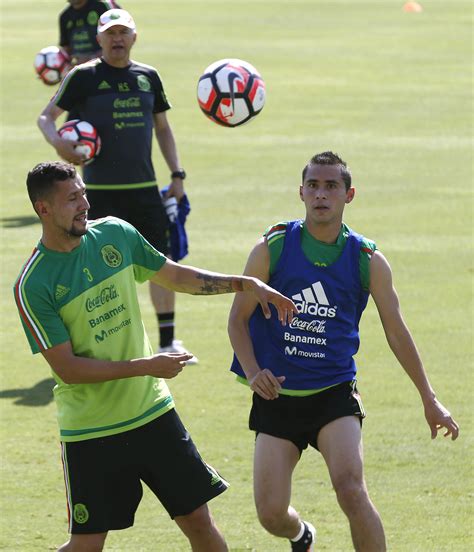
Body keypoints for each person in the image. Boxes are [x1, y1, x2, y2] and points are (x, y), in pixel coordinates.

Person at [13, 161, 297, 552]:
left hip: (152, 414)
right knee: (87, 545)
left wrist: (243, 284)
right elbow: (69, 369)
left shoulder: (115, 234)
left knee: (199, 522)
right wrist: (148, 366)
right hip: (91, 432)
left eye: (83, 193)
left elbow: (177, 277)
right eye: (72, 198)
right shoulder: (34, 284)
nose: (84, 204)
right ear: (43, 209)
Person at [228, 151, 460, 552]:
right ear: (301, 192)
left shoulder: (367, 260)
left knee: (351, 489)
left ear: (349, 195)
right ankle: (302, 534)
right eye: (314, 186)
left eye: (331, 186)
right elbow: (237, 320)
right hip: (277, 396)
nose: (321, 194)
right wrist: (251, 371)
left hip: (334, 394)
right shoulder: (274, 248)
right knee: (270, 514)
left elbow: (397, 332)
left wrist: (430, 398)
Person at [38, 8, 196, 362]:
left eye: (123, 32)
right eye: (110, 33)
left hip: (144, 188)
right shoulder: (83, 77)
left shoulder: (148, 77)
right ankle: (96, 344)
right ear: (99, 39)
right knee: (93, 270)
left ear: (134, 37)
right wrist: (59, 144)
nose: (117, 39)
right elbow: (46, 117)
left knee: (161, 263)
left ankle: (169, 341)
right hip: (97, 194)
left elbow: (163, 129)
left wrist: (177, 175)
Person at [59, 1, 121, 66]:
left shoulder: (104, 6)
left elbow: (120, 40)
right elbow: (66, 49)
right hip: (82, 70)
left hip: (108, 67)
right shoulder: (64, 16)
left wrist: (90, 59)